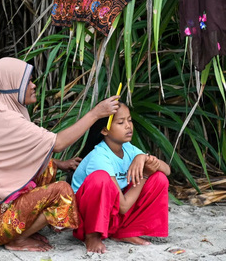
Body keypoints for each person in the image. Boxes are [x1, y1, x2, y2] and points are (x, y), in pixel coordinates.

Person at [0, 57, 120, 252]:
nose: (33, 85)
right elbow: (59, 143)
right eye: (27, 81)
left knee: (46, 164)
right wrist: (96, 113)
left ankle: (24, 229)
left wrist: (59, 164)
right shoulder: (8, 119)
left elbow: (12, 156)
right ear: (12, 85)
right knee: (62, 191)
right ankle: (17, 239)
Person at [71, 102, 171, 253]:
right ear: (104, 129)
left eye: (129, 120)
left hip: (111, 214)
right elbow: (123, 207)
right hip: (87, 220)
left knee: (159, 179)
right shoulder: (100, 156)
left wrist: (142, 157)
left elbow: (167, 170)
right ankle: (92, 237)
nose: (128, 126)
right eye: (120, 122)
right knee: (100, 178)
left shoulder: (128, 149)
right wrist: (144, 175)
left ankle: (124, 232)